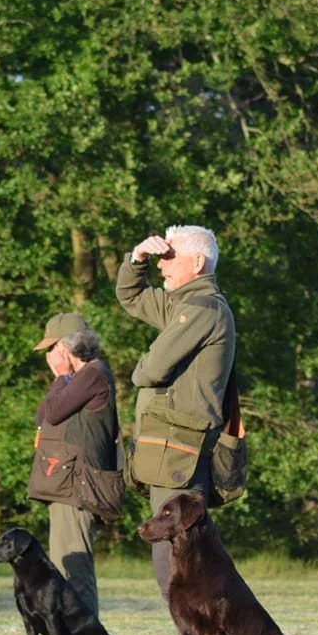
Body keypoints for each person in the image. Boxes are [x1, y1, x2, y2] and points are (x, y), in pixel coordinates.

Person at [117, 224, 235, 600]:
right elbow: (131, 296)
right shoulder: (185, 304)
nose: (161, 264)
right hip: (170, 448)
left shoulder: (203, 308)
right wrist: (137, 258)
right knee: (176, 559)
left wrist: (140, 368)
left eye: (169, 257)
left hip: (179, 450)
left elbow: (151, 370)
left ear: (197, 262)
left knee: (176, 560)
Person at [27, 313, 120, 616]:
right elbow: (43, 416)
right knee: (64, 564)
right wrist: (63, 378)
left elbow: (53, 413)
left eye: (51, 348)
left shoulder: (92, 375)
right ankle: (74, 634)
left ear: (66, 347)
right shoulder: (81, 378)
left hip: (77, 487)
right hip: (67, 484)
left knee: (75, 567)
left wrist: (59, 376)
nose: (49, 357)